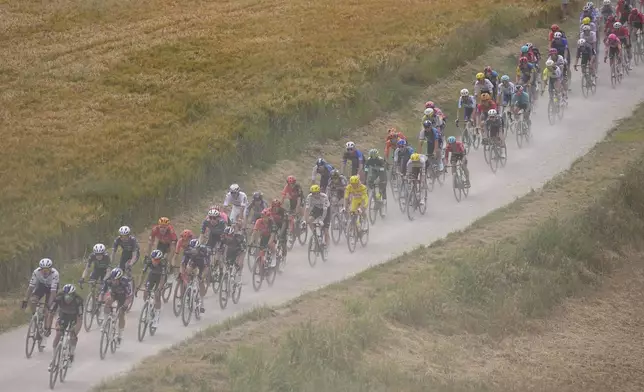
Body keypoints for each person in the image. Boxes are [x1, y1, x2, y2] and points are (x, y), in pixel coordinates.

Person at [46, 284, 83, 368]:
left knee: (72, 335)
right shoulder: (59, 298)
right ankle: (53, 358)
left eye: (70, 296)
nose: (67, 298)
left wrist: (75, 332)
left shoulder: (78, 301)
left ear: (73, 295)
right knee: (58, 333)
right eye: (66, 295)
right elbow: (51, 314)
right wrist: (48, 328)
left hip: (74, 317)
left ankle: (71, 354)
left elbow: (79, 320)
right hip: (63, 316)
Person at [100, 268, 132, 345]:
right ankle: (105, 321)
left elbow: (129, 297)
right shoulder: (108, 280)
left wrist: (125, 305)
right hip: (114, 294)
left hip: (123, 297)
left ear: (120, 279)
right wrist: (100, 301)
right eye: (113, 279)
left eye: (116, 280)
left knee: (121, 313)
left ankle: (120, 334)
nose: (114, 281)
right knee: (107, 302)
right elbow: (102, 292)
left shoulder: (125, 282)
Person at [141, 249, 167, 327]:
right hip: (152, 276)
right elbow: (143, 274)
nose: (154, 261)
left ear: (159, 260)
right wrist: (139, 285)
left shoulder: (163, 264)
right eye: (153, 259)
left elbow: (162, 278)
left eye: (156, 260)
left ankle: (156, 316)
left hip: (160, 278)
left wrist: (159, 288)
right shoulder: (149, 261)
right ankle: (146, 308)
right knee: (145, 292)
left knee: (157, 295)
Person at [180, 240, 208, 313]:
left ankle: (202, 303)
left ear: (198, 248)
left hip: (202, 263)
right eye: (191, 249)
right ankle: (189, 289)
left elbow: (206, 267)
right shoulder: (188, 251)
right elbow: (183, 263)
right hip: (194, 261)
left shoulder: (203, 252)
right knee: (188, 270)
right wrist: (184, 273)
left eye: (194, 249)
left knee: (200, 280)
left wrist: (202, 276)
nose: (193, 250)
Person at [268, 199, 289, 264]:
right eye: (274, 207)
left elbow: (284, 224)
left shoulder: (283, 211)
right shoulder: (269, 210)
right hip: (274, 225)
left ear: (280, 207)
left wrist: (281, 234)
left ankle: (284, 257)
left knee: (283, 243)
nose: (276, 209)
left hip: (283, 225)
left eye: (277, 207)